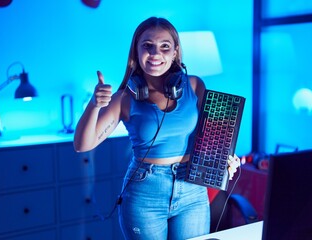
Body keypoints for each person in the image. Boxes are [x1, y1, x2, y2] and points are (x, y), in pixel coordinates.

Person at [74, 16, 241, 240]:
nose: (155, 54)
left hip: (192, 191)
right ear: (136, 51)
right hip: (145, 193)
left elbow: (212, 138)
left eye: (164, 47)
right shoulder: (124, 98)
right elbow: (82, 144)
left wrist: (226, 157)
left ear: (175, 52)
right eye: (147, 46)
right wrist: (94, 105)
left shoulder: (194, 85)